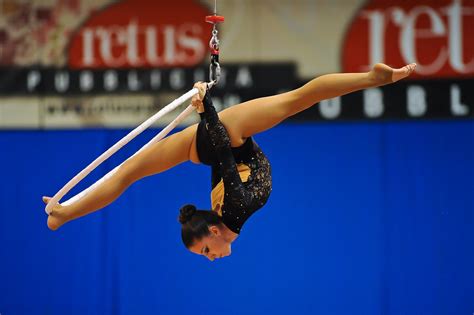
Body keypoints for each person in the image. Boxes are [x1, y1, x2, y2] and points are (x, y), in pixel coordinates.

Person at [43, 63, 417, 261]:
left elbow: (223, 152)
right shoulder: (229, 214)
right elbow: (217, 158)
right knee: (126, 174)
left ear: (215, 232)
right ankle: (63, 214)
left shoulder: (234, 212)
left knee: (297, 99)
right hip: (203, 147)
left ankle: (373, 78)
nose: (211, 257)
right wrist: (206, 116)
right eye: (205, 254)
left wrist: (207, 108)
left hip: (229, 138)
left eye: (205, 250)